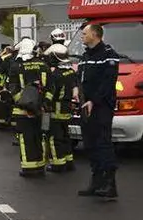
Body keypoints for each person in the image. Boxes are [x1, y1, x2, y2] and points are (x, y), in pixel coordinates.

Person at [76, 24, 119, 200]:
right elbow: (80, 78)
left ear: (95, 34)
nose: (82, 36)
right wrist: (77, 91)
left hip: (102, 107)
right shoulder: (85, 56)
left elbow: (108, 82)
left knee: (103, 143)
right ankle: (96, 181)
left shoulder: (109, 55)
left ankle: (110, 184)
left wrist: (95, 100)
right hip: (86, 105)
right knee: (90, 143)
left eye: (85, 34)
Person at [8, 38, 49, 177]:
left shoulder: (17, 67)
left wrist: (24, 104)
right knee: (40, 137)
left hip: (23, 110)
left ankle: (29, 168)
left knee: (26, 139)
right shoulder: (43, 65)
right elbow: (51, 87)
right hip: (42, 109)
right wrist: (43, 104)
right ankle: (40, 166)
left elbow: (13, 88)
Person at [43, 44, 77, 173]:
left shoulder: (56, 74)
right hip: (67, 108)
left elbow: (51, 92)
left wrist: (45, 103)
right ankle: (69, 162)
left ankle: (58, 164)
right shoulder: (71, 71)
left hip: (56, 109)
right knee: (65, 135)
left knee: (54, 137)